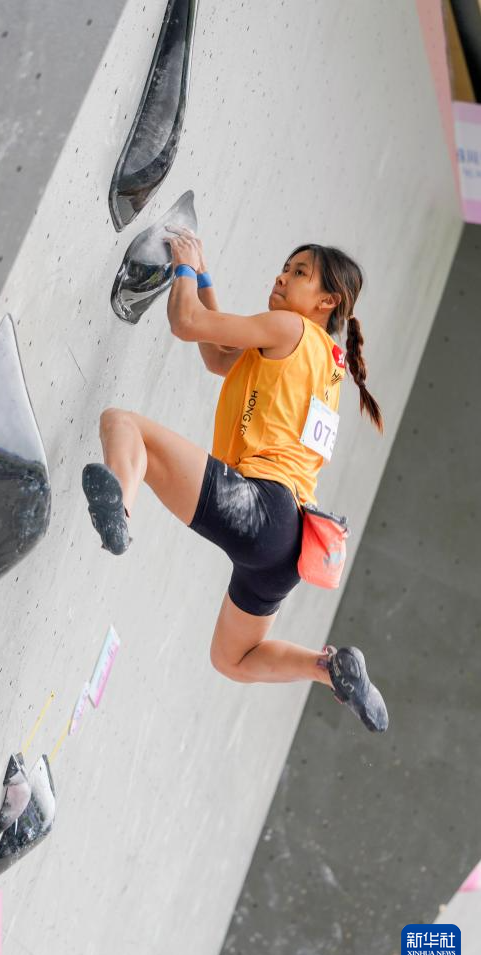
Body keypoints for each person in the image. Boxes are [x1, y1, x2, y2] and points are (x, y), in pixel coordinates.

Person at [82, 229, 388, 733]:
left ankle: (120, 509)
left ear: (327, 301)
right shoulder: (327, 364)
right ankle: (329, 669)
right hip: (289, 546)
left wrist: (182, 265)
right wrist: (202, 275)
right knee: (234, 659)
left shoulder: (288, 328)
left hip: (260, 508)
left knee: (121, 423)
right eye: (286, 268)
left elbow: (186, 324)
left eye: (300, 274)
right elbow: (217, 355)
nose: (282, 277)